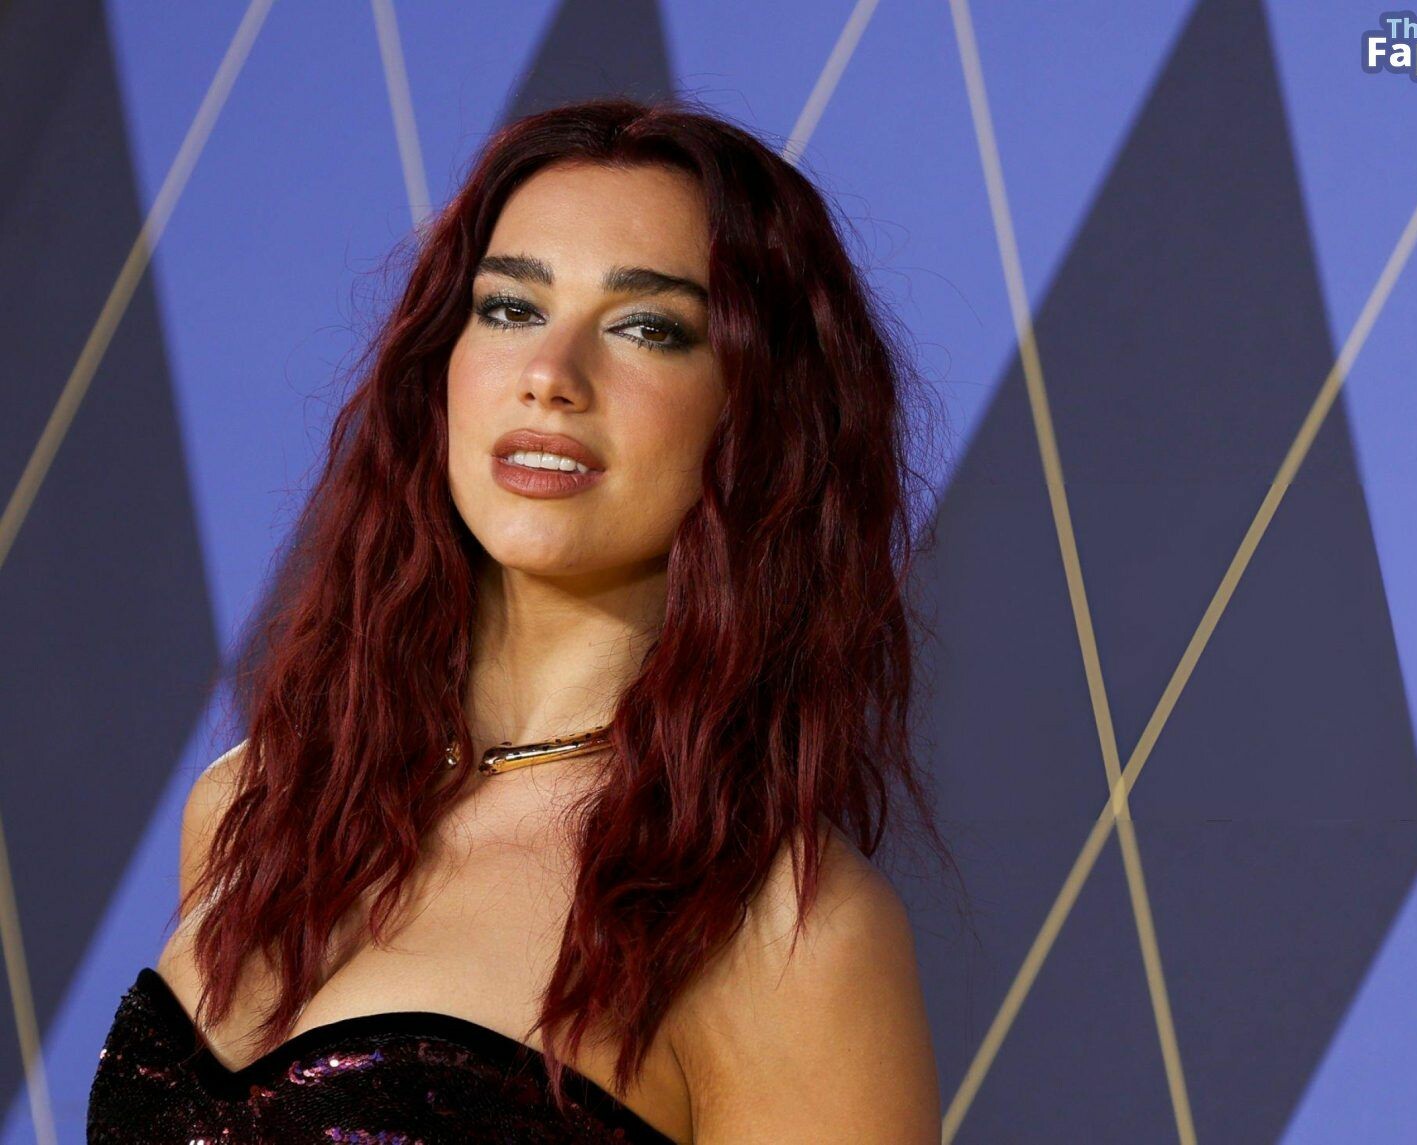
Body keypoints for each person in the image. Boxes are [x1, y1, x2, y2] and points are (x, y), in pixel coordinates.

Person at [87, 95, 955, 1143]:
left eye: (649, 328)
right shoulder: (257, 800)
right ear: (440, 364)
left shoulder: (783, 928)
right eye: (508, 308)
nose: (550, 375)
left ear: (759, 417)